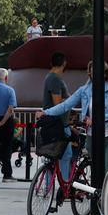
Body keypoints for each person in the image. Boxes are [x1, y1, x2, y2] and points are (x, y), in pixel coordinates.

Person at [40, 60, 108, 172]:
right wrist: (46, 112)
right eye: (92, 73)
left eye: (98, 72)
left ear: (105, 73)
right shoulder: (85, 90)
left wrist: (97, 119)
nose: (95, 75)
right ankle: (96, 189)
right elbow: (65, 105)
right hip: (93, 136)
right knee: (96, 171)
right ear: (90, 74)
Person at [44, 52, 74, 183]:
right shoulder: (55, 79)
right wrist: (70, 100)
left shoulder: (49, 77)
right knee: (66, 155)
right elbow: (57, 102)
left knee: (52, 156)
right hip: (59, 124)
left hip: (54, 123)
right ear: (64, 63)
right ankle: (65, 184)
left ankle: (48, 185)